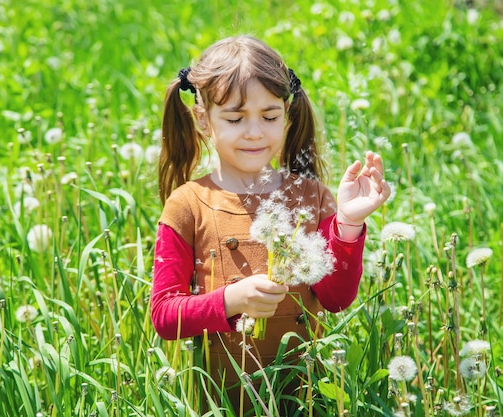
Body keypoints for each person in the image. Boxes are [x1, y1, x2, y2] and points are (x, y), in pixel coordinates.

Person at [151, 35, 390, 413]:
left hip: (305, 398)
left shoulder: (312, 198)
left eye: (269, 116)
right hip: (221, 404)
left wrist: (347, 222)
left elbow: (335, 298)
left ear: (287, 114)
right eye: (234, 118)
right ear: (203, 120)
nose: (254, 132)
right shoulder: (188, 205)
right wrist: (231, 301)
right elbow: (164, 317)